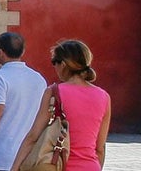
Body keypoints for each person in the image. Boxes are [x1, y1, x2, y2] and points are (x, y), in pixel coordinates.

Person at [12, 39, 111, 171]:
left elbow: (33, 136)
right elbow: (100, 148)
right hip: (91, 166)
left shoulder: (54, 92)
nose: (54, 67)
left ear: (63, 64)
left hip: (60, 166)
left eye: (54, 62)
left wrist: (14, 167)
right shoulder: (104, 96)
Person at [0, 32, 46, 171]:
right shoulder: (38, 79)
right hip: (30, 152)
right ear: (23, 51)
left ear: (1, 52)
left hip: (3, 153)